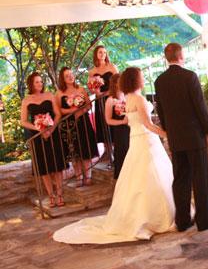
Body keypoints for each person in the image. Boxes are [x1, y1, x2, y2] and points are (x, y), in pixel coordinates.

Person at [53, 67, 176, 244]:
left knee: (143, 176)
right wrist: (167, 134)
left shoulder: (128, 98)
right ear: (136, 80)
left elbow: (132, 120)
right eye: (141, 76)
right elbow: (148, 125)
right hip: (145, 139)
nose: (143, 79)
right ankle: (158, 216)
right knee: (151, 174)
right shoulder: (138, 99)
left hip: (136, 138)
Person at [154, 43, 208, 232]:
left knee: (180, 179)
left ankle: (182, 221)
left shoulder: (160, 81)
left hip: (175, 137)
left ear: (167, 58)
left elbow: (161, 110)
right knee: (200, 179)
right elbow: (200, 106)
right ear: (181, 56)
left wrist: (167, 129)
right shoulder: (190, 77)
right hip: (193, 136)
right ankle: (204, 221)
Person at [21, 72, 67, 207]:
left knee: (57, 166)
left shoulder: (49, 95)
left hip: (54, 135)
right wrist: (38, 128)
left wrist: (51, 128)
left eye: (41, 81)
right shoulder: (26, 100)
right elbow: (23, 121)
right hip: (38, 138)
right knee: (44, 168)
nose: (40, 84)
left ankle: (60, 194)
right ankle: (51, 196)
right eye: (37, 82)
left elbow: (58, 114)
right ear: (31, 84)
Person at [56, 67, 98, 186]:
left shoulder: (81, 89)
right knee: (74, 152)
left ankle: (88, 176)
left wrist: (80, 111)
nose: (70, 77)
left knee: (85, 150)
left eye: (71, 74)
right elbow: (59, 110)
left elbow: (89, 105)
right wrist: (72, 110)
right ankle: (79, 177)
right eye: (67, 76)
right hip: (69, 126)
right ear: (63, 79)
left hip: (83, 122)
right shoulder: (59, 93)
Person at [88, 45, 118, 161]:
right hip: (100, 100)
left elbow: (118, 82)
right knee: (103, 122)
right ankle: (107, 149)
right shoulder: (92, 71)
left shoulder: (112, 67)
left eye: (104, 52)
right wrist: (95, 91)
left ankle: (116, 148)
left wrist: (108, 92)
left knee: (113, 121)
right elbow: (91, 87)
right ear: (96, 54)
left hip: (111, 98)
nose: (103, 54)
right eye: (100, 52)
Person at [105, 73, 130, 180]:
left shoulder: (128, 96)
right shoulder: (110, 100)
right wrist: (122, 122)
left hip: (131, 129)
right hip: (120, 132)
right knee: (123, 154)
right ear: (115, 84)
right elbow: (108, 120)